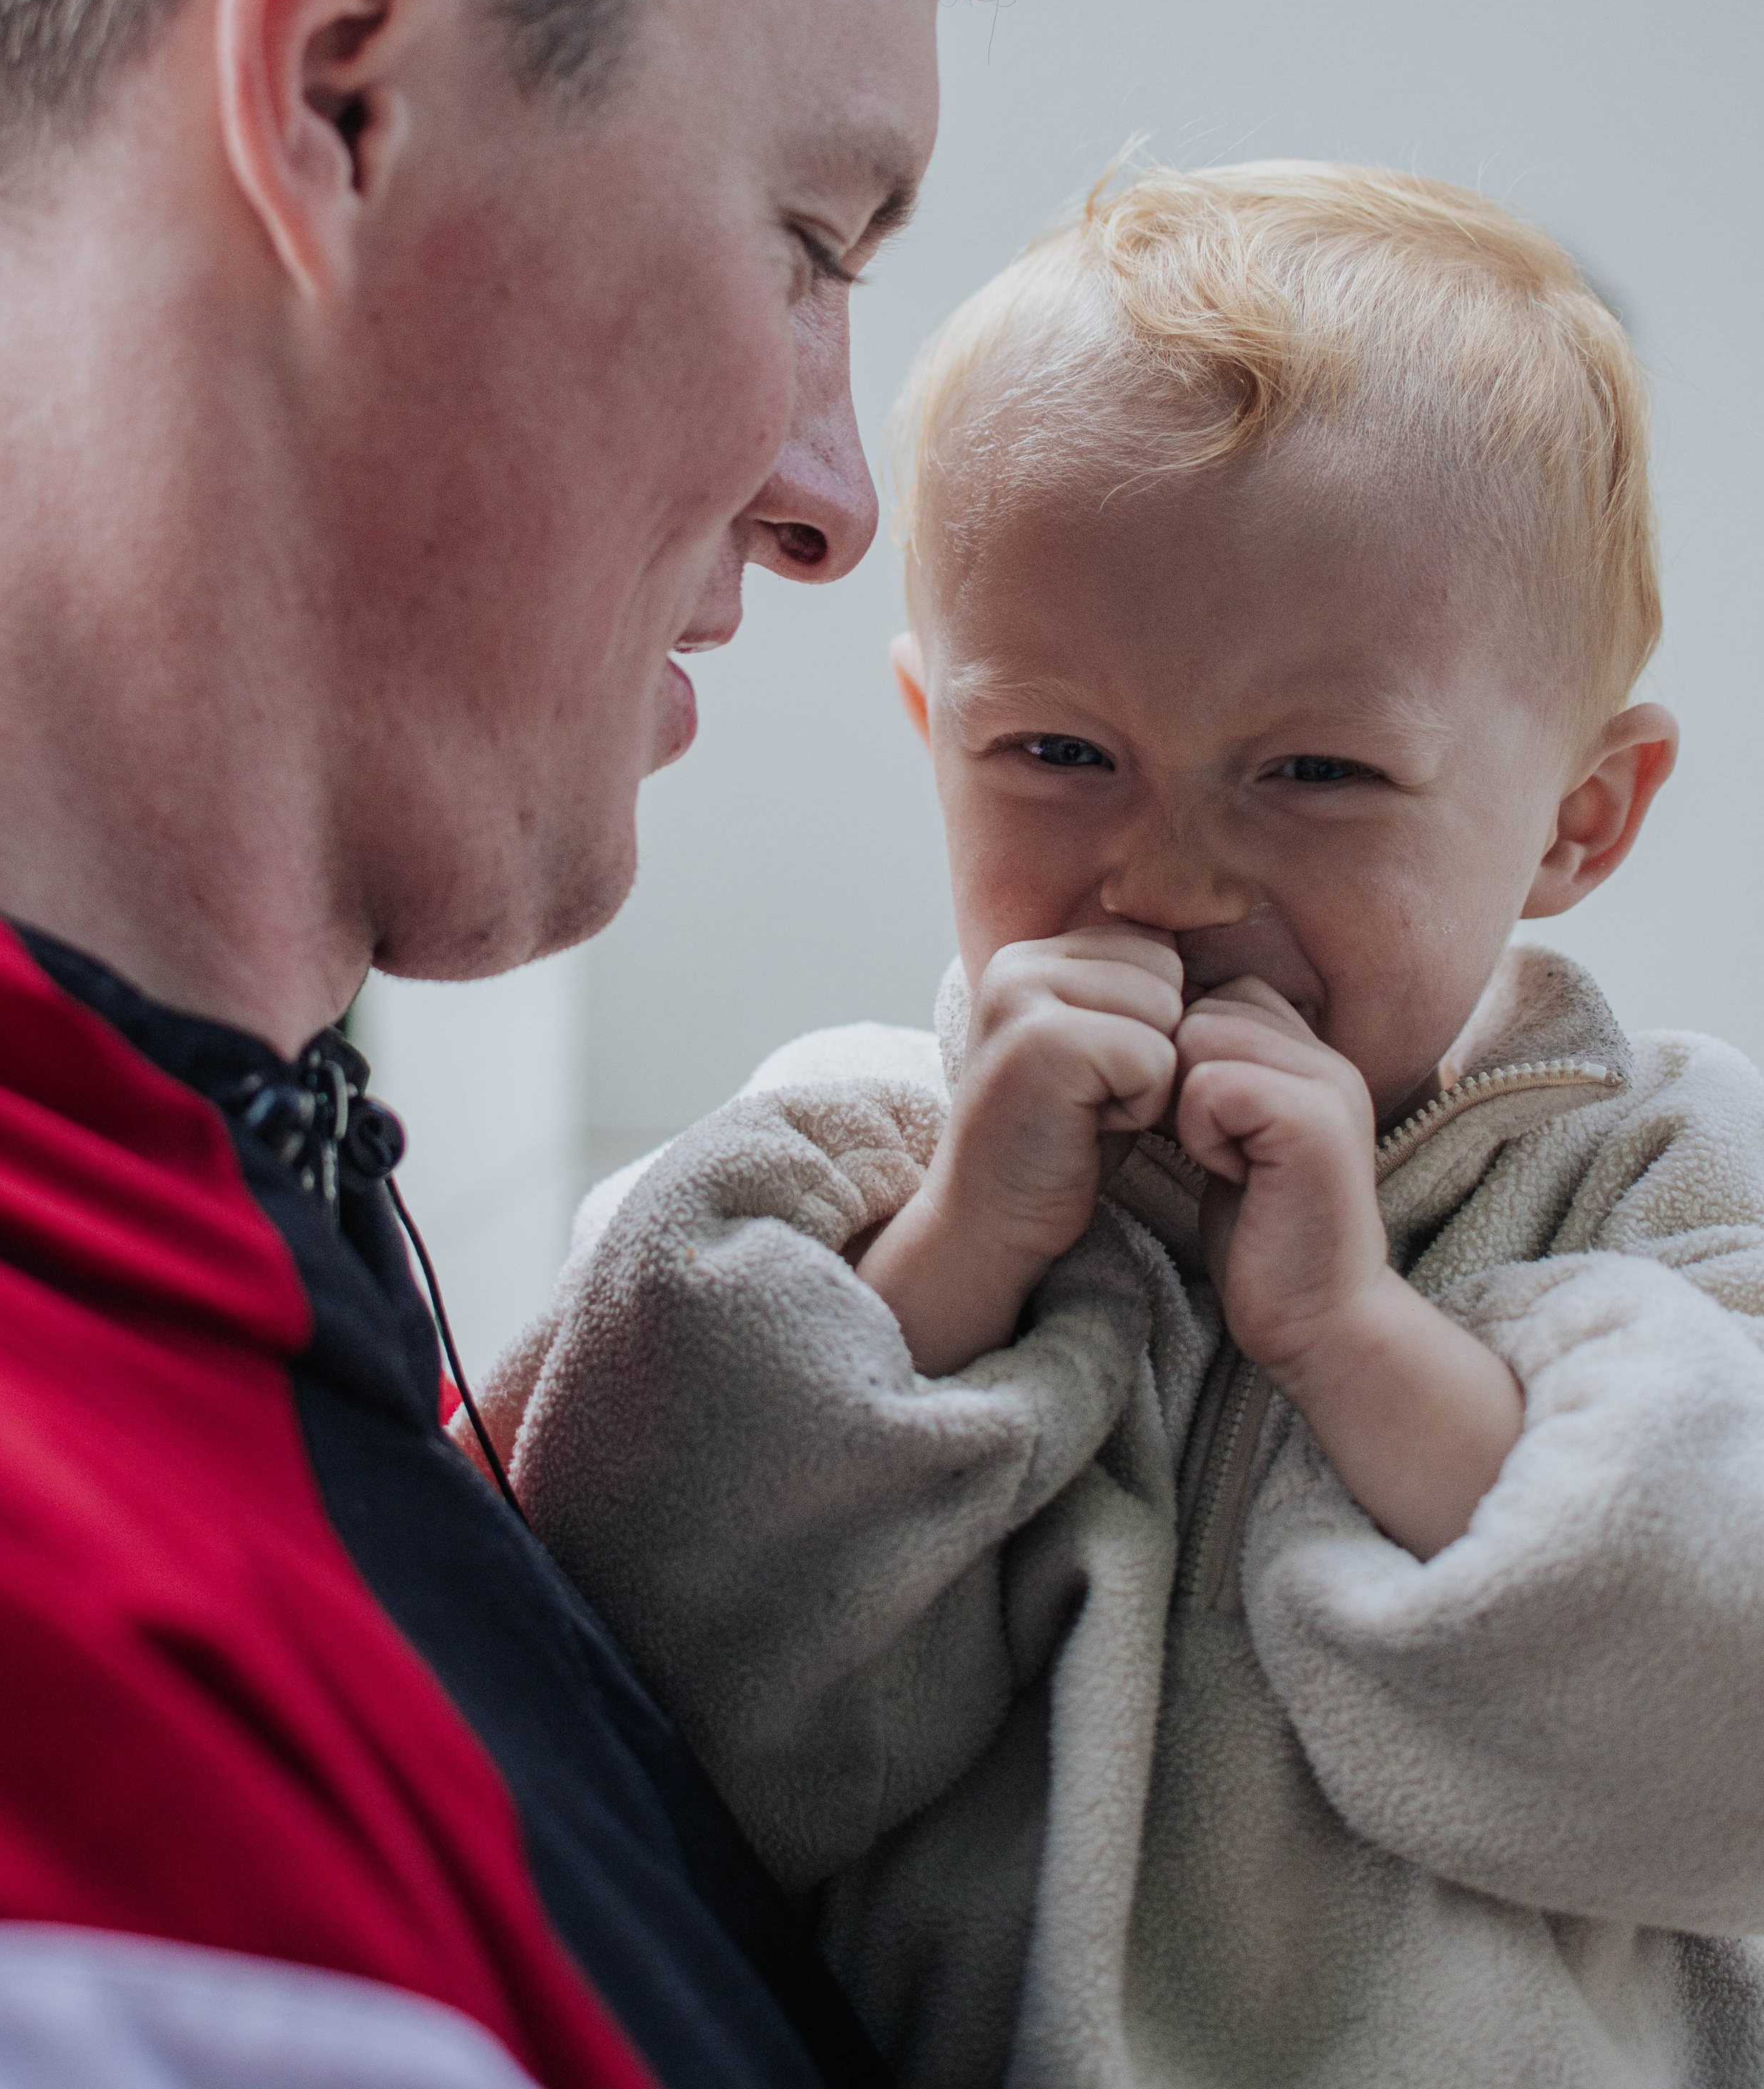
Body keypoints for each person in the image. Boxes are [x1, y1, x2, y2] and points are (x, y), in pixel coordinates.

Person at [0, 0, 1076, 2082]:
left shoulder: (264, 1304)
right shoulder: (27, 1671)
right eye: (810, 232)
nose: (836, 496)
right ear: (343, 77)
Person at [493, 163, 1764, 2088]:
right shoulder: (851, 1169)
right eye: (1057, 755)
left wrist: (1364, 1347)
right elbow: (605, 1664)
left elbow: (1725, 1734)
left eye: (1318, 774)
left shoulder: (1657, 1179)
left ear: (1583, 820)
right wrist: (950, 1275)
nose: (1165, 876)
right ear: (934, 730)